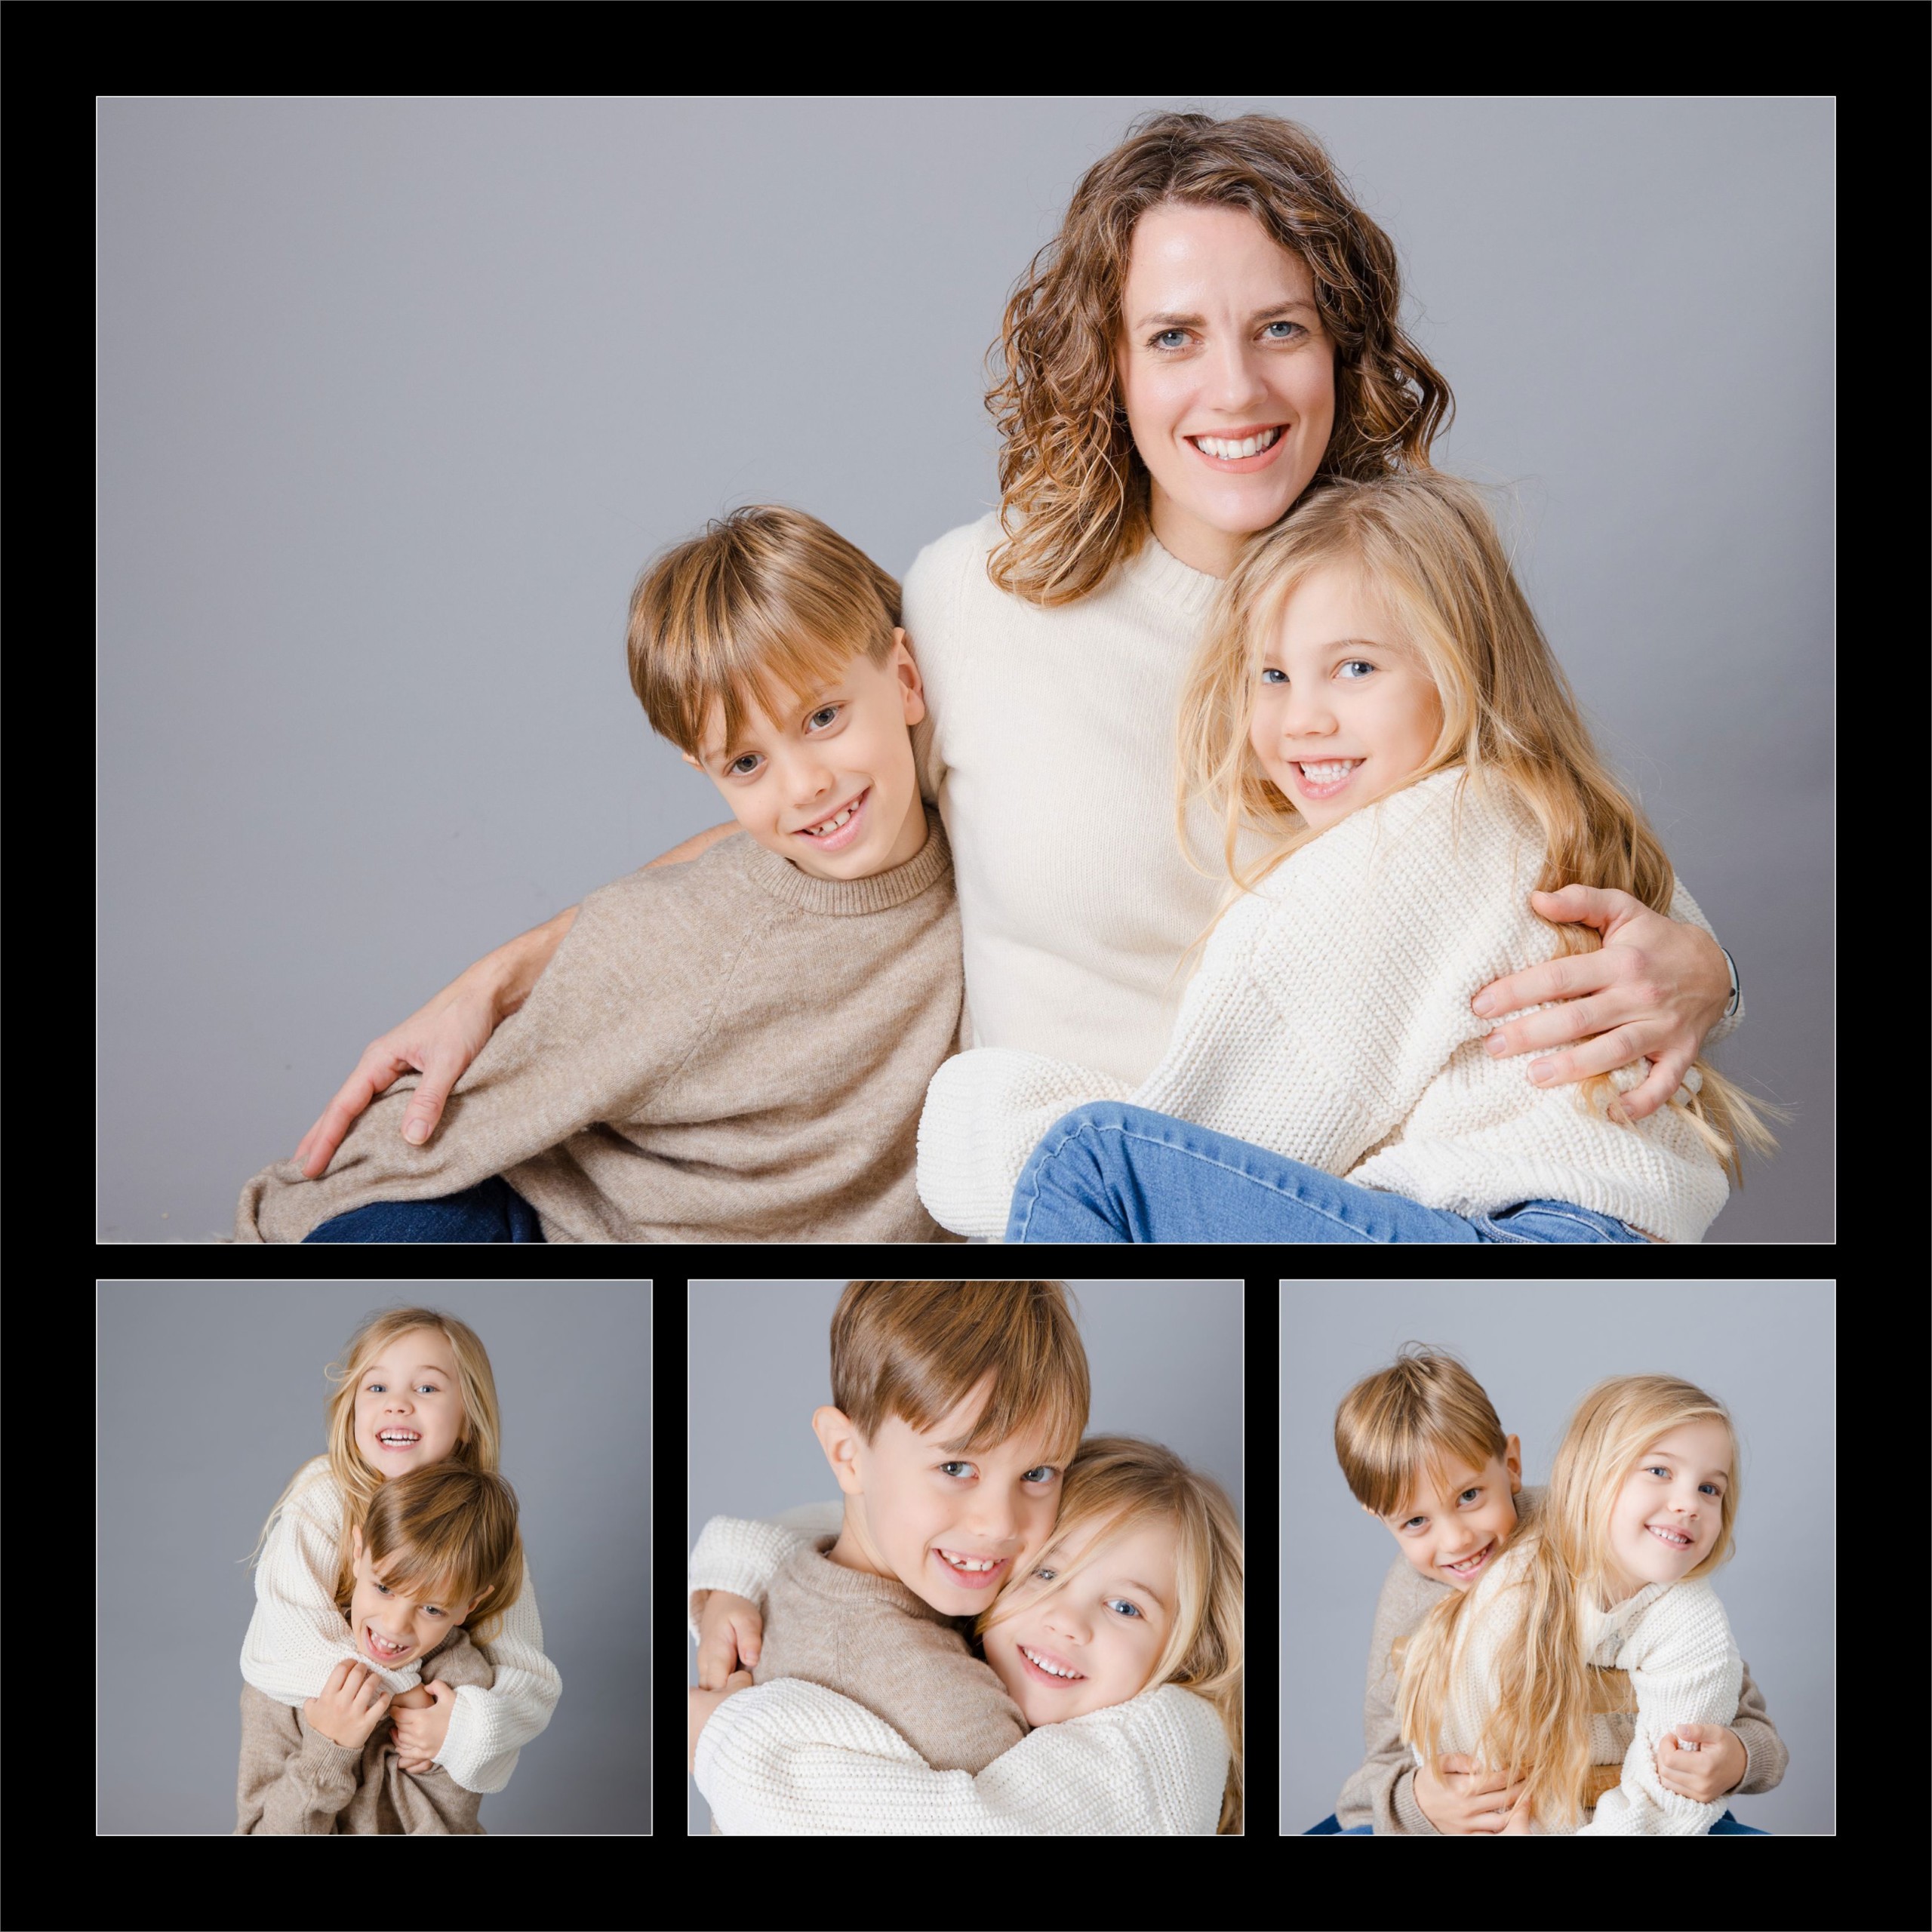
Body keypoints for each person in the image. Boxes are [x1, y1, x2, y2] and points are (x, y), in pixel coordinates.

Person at [294, 114, 1741, 1220]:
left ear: (1339, 349)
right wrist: (500, 976)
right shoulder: (974, 604)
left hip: (1354, 1212)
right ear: (1107, 366)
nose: (1232, 390)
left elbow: (1551, 846)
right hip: (1066, 1205)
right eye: (1174, 337)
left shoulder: (1410, 593)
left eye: (1279, 330)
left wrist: (1710, 970)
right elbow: (807, 803)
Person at [918, 473, 1775, 1242]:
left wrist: (973, 1117)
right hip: (1600, 1223)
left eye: (1354, 668)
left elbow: (1223, 1144)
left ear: (1461, 670)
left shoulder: (1402, 856)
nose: (1304, 719)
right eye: (1272, 676)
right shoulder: (1534, 807)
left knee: (1089, 1159)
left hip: (1530, 1230)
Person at [238, 506, 961, 1241]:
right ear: (707, 772)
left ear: (904, 678)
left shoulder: (989, 858)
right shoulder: (687, 942)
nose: (804, 784)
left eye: (823, 717)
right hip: (510, 1214)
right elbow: (469, 1112)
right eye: (746, 762)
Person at [1309, 1347, 1782, 1835]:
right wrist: (1420, 1803)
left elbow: (1736, 1707)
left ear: (1511, 1465)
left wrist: (1739, 1759)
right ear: (1379, 1517)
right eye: (1415, 1521)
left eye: (1470, 1497)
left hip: (1637, 1811)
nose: (1456, 1540)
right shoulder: (1413, 1593)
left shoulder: (1597, 1532)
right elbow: (1378, 1767)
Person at [685, 1280, 1094, 1832]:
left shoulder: (803, 1576)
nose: (999, 1523)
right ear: (847, 1454)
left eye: (1037, 1473)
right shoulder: (945, 1707)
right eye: (956, 1469)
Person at [691, 1433, 1241, 1835]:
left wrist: (726, 1738)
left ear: (1195, 1648)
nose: (1066, 1621)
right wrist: (734, 1576)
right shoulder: (973, 1651)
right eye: (1046, 1573)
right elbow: (871, 1524)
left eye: (1126, 1607)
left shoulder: (1165, 1744)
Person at [238, 1306, 561, 1789]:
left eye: (427, 1388)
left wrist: (458, 1729)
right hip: (311, 1737)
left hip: (412, 1766)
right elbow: (289, 1632)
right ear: (353, 1411)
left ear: (468, 1418)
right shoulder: (326, 1494)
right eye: (377, 1387)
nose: (398, 1404)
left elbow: (526, 1679)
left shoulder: (484, 1529)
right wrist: (405, 1696)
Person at [235, 1466, 515, 1834]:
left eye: (432, 1609)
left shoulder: (456, 1691)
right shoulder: (285, 1668)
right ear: (358, 1551)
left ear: (470, 1605)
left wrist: (444, 1746)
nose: (395, 1625)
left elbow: (448, 1826)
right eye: (385, 1588)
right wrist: (327, 1753)